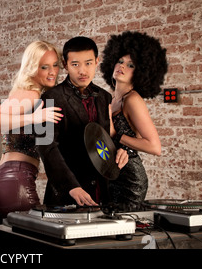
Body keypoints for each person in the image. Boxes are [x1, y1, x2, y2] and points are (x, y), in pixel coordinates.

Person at [37, 36, 128, 208]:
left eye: (88, 63)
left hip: (103, 193)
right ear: (65, 64)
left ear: (96, 61)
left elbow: (105, 139)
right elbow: (46, 146)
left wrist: (121, 151)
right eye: (75, 64)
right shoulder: (51, 97)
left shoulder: (104, 97)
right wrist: (70, 186)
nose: (82, 71)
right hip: (68, 195)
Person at [0, 40, 63, 224]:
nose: (52, 72)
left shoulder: (26, 92)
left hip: (1, 180)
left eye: (55, 65)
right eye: (44, 67)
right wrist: (34, 118)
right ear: (32, 68)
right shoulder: (30, 94)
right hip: (14, 181)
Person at [100, 31, 167, 210]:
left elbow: (155, 147)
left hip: (130, 180)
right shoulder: (112, 100)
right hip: (112, 175)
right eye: (120, 61)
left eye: (131, 65)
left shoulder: (132, 99)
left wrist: (117, 135)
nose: (122, 66)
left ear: (141, 72)